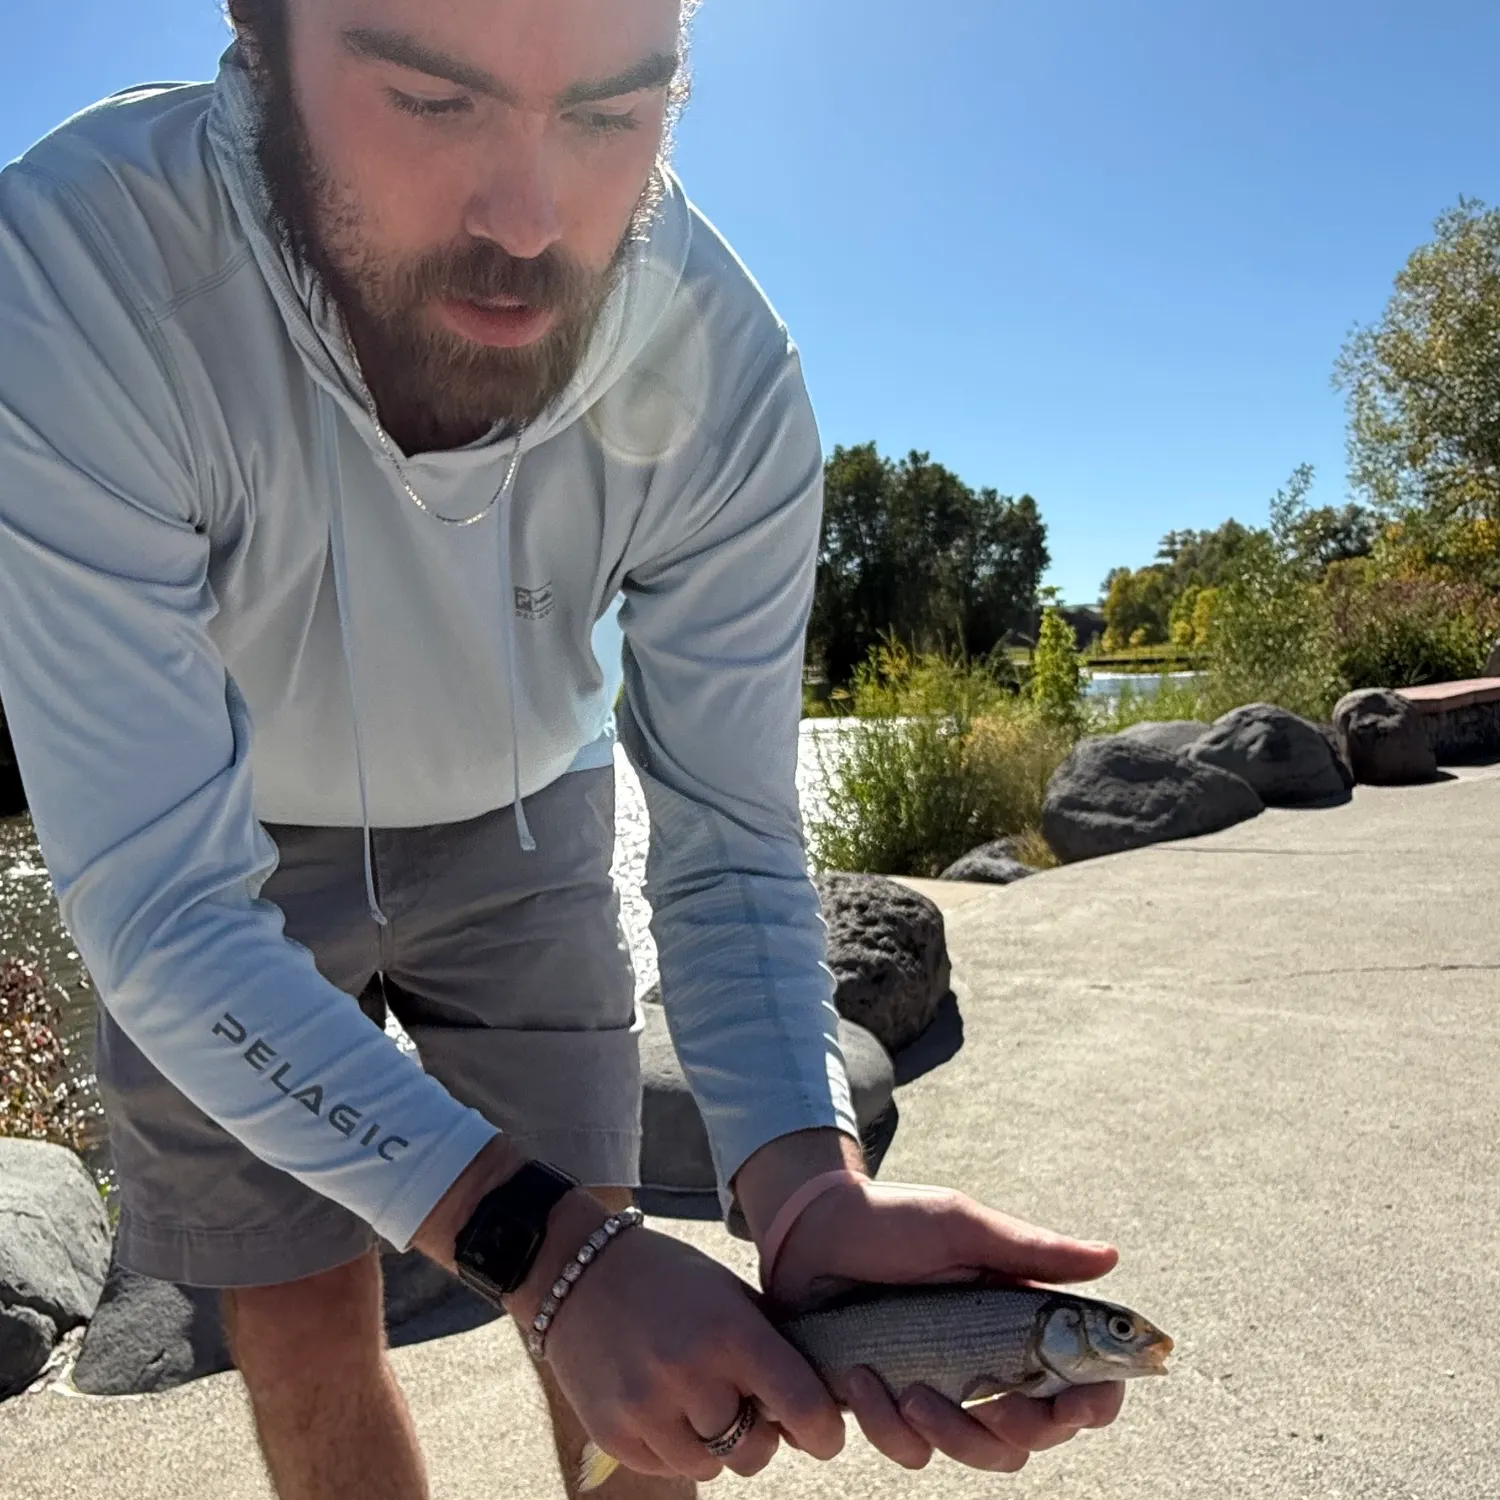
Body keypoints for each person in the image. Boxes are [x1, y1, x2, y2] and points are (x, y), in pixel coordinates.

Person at [0, 2, 1128, 1496]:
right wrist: (546, 1249)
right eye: (426, 97)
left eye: (613, 116)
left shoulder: (727, 368)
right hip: (227, 855)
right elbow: (160, 907)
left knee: (632, 1347)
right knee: (304, 1329)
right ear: (258, 38)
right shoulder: (76, 270)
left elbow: (730, 837)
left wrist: (802, 1189)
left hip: (527, 819)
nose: (530, 226)